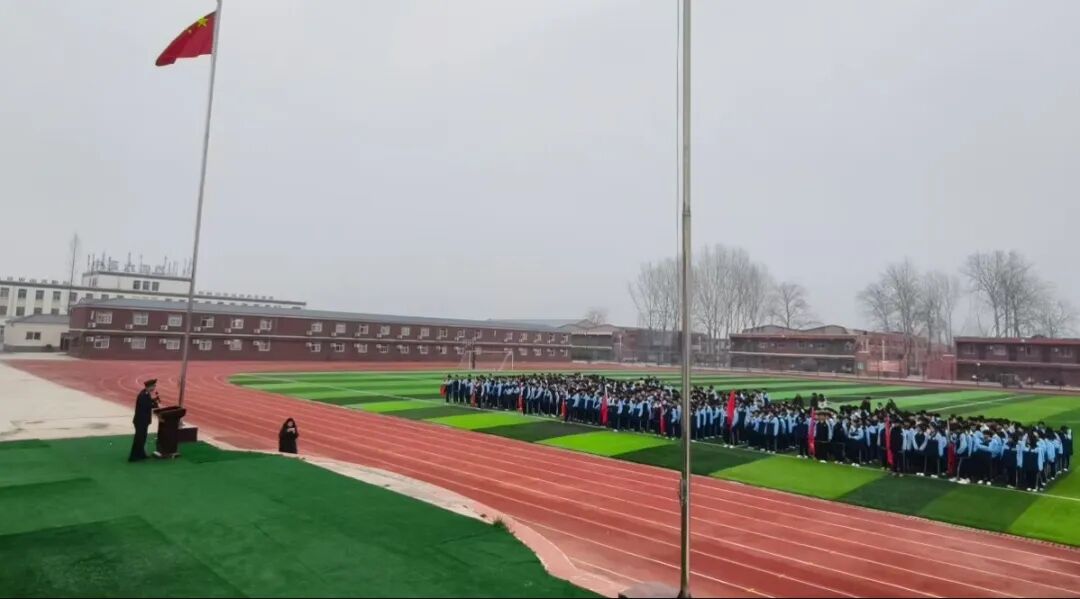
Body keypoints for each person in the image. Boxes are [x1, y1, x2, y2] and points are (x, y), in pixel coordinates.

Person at [129, 378, 160, 462]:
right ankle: (133, 457)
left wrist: (154, 400)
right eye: (153, 386)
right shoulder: (143, 395)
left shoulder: (146, 393)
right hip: (140, 421)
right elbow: (147, 405)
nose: (154, 388)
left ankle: (141, 454)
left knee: (142, 438)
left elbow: (148, 402)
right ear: (149, 386)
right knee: (139, 439)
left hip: (143, 421)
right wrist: (154, 404)